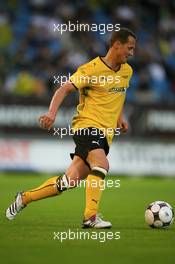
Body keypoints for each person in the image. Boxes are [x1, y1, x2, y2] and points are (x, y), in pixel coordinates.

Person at [6, 27, 136, 228]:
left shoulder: (127, 71)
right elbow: (63, 89)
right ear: (116, 45)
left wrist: (120, 117)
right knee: (101, 165)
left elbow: (116, 95)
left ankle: (24, 198)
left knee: (69, 181)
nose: (132, 53)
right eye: (129, 48)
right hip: (87, 126)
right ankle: (90, 217)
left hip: (106, 134)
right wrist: (51, 113)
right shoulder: (90, 69)